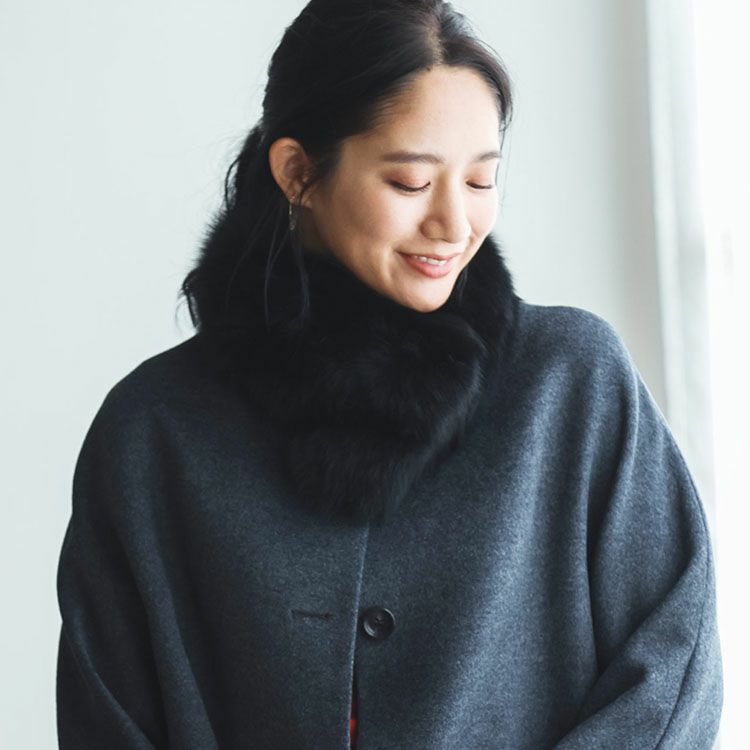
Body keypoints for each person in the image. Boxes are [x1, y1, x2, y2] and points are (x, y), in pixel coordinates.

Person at [55, 0, 723, 747]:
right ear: (298, 172)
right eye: (410, 182)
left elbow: (674, 666)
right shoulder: (153, 430)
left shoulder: (570, 384)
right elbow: (106, 717)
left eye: (481, 181)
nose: (454, 224)